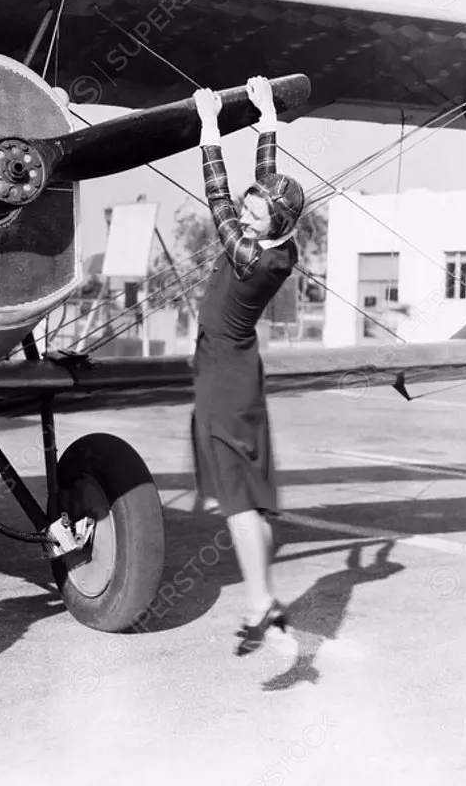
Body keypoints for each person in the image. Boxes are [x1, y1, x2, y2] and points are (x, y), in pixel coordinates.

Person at [190, 76, 305, 656]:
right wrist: (266, 120)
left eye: (254, 214)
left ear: (270, 227)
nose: (245, 212)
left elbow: (217, 200)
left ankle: (261, 604)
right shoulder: (279, 241)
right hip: (238, 367)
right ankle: (271, 606)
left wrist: (209, 127)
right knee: (248, 497)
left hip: (223, 377)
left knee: (236, 500)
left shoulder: (252, 257)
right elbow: (264, 190)